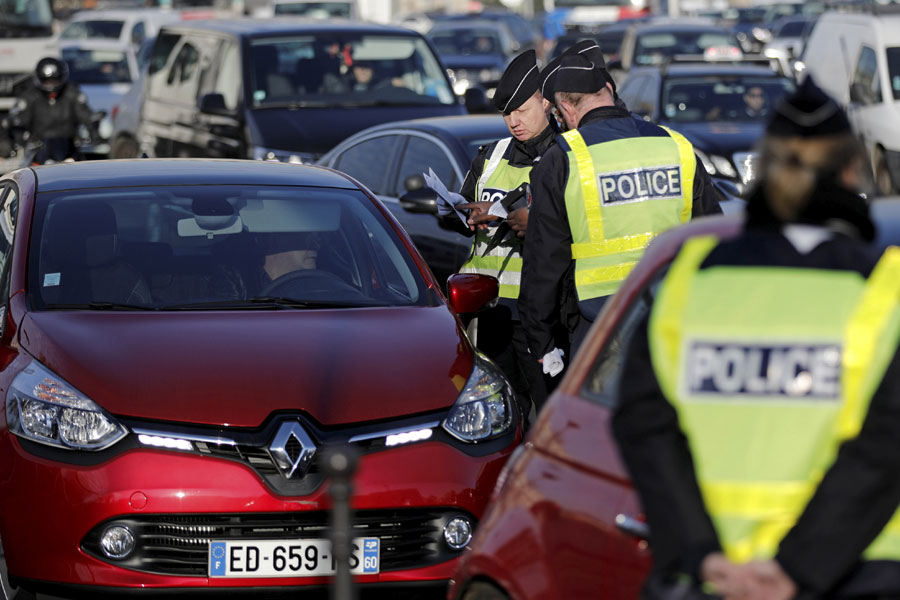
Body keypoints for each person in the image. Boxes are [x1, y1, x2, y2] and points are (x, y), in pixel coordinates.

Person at [612, 77, 900, 600]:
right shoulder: (887, 290)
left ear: (763, 171)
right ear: (854, 171)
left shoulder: (689, 282)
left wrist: (704, 555)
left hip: (712, 581)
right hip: (851, 576)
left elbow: (643, 426)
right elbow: (884, 449)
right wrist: (794, 569)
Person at [518, 44, 722, 378]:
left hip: (601, 328)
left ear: (565, 107)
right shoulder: (677, 146)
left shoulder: (564, 158)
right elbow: (712, 240)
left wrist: (540, 339)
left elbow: (544, 259)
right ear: (609, 91)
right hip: (676, 320)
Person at [438, 49, 559, 418]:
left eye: (522, 111)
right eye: (507, 114)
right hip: (487, 310)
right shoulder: (490, 155)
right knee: (500, 411)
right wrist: (461, 214)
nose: (514, 122)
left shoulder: (566, 155)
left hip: (538, 311)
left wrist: (523, 218)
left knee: (547, 410)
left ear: (547, 103)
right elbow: (462, 209)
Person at [3, 57, 95, 164]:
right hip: (37, 150)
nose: (51, 85)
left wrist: (94, 131)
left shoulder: (72, 93)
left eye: (54, 80)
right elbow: (16, 121)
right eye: (47, 81)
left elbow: (86, 115)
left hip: (69, 149)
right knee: (25, 173)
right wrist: (13, 139)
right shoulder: (29, 96)